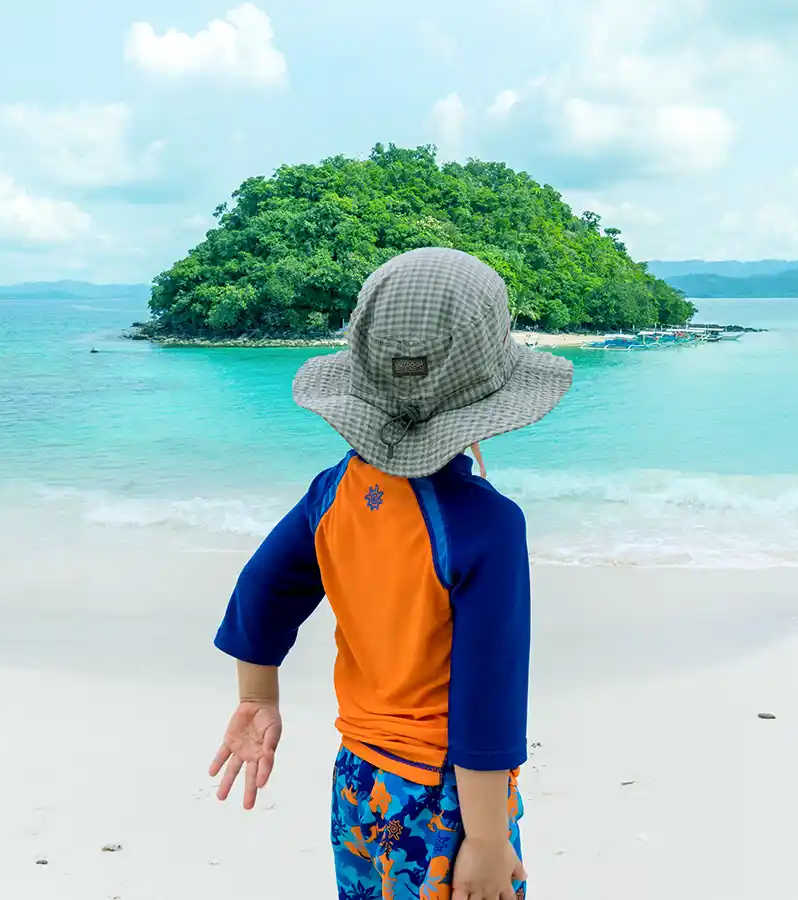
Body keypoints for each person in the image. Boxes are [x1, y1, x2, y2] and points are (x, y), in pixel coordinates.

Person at [207, 247, 573, 900]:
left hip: (359, 782)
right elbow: (488, 694)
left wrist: (258, 696)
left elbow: (262, 589)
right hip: (449, 800)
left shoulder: (333, 492)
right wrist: (486, 840)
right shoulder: (486, 524)